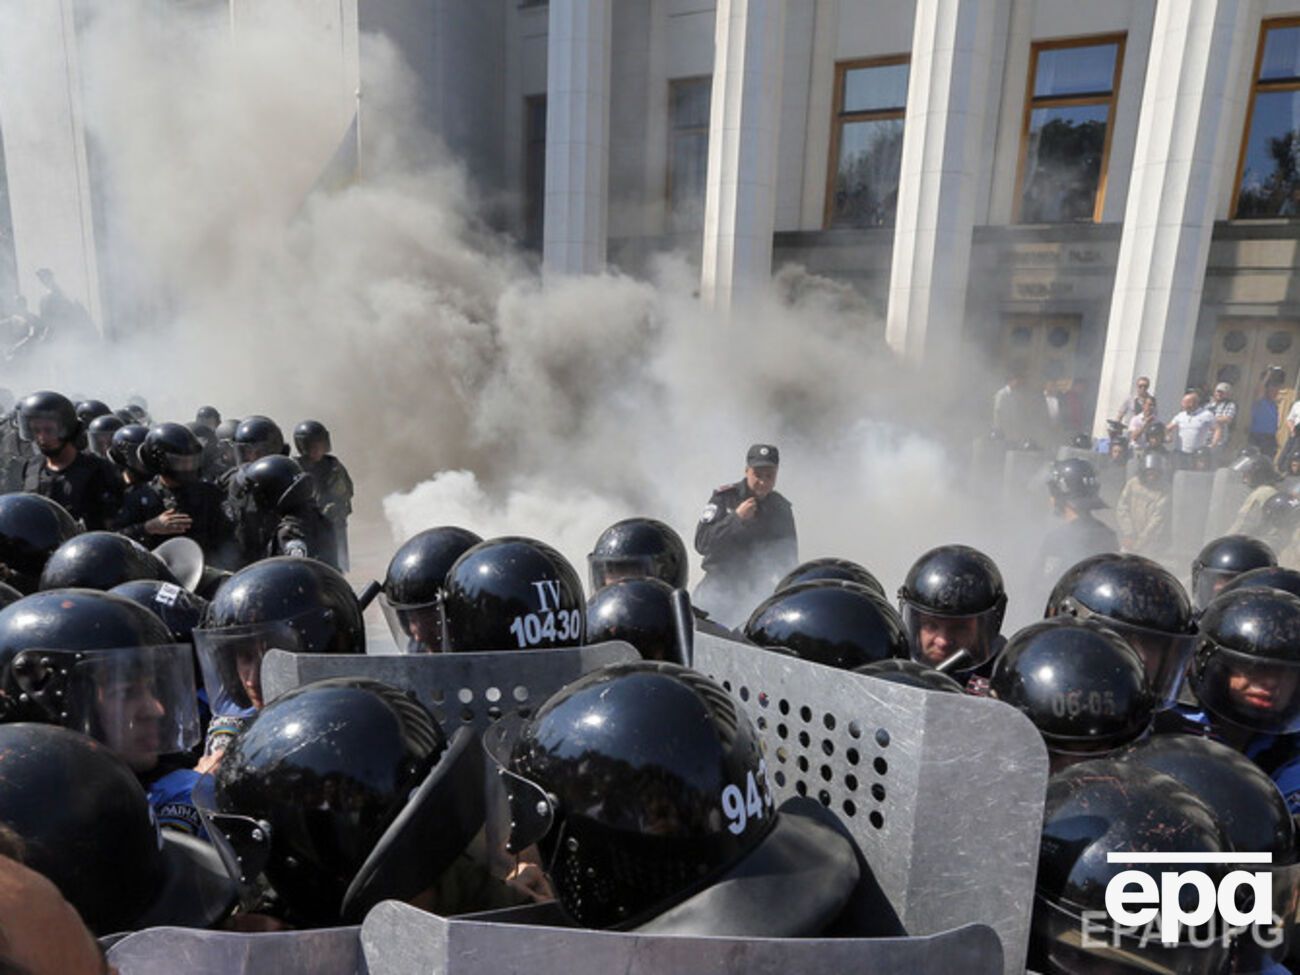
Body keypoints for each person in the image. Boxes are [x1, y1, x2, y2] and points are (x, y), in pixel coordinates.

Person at [694, 444, 798, 626]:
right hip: (716, 592)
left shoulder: (781, 508)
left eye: (769, 476)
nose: (763, 482)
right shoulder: (724, 497)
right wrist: (735, 519)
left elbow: (788, 560)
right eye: (758, 475)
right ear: (747, 471)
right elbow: (702, 543)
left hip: (754, 597)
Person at [896, 544, 1007, 692]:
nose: (943, 641)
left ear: (983, 629)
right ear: (916, 625)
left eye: (959, 628)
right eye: (931, 625)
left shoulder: (1004, 679)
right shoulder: (895, 668)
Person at [16, 391, 122, 530]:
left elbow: (113, 527)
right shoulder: (31, 468)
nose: (42, 438)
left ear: (67, 428)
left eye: (49, 430)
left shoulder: (98, 470)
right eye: (36, 430)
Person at [138, 423, 238, 568]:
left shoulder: (209, 495)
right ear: (159, 461)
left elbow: (227, 540)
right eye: (181, 463)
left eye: (192, 462)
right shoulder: (142, 496)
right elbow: (116, 541)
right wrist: (149, 527)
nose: (188, 468)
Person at [1033, 458, 1118, 590]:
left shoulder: (1056, 539)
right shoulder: (1108, 534)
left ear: (1060, 496)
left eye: (1053, 493)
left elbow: (1042, 588)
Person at [292, 420, 353, 571]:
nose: (318, 449)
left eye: (320, 444)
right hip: (306, 527)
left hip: (332, 526)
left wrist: (336, 507)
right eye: (313, 445)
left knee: (334, 569)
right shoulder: (294, 467)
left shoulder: (333, 466)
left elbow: (346, 491)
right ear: (303, 446)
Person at [1114, 451, 1171, 557]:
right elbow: (1122, 507)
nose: (1152, 475)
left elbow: (1157, 521)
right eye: (1149, 472)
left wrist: (1139, 543)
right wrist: (1129, 533)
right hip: (1128, 538)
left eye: (1155, 472)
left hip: (1150, 544)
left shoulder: (1164, 491)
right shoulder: (1133, 483)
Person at [1228, 454, 1283, 536]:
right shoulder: (1269, 491)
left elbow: (1243, 524)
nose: (1244, 478)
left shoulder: (1263, 493)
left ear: (1258, 474)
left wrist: (1223, 542)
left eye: (1247, 474)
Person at [1164, 391, 1215, 463]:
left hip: (1196, 455)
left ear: (1191, 403)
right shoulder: (1181, 415)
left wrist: (1213, 444)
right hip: (1180, 453)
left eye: (1184, 402)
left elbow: (1217, 429)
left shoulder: (1206, 415)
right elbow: (1167, 428)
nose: (1181, 404)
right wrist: (1168, 435)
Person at [1250, 366, 1285, 457]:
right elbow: (1259, 389)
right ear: (1267, 390)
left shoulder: (1274, 405)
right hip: (1258, 435)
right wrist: (1268, 374)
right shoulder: (1261, 401)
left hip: (1270, 437)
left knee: (1268, 458)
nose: (1276, 391)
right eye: (1273, 389)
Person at [1207, 380, 1237, 461]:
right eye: (1218, 392)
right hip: (1204, 437)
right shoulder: (1208, 404)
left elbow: (1227, 418)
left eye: (1222, 392)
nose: (1219, 394)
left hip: (1218, 441)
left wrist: (1209, 419)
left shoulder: (1230, 405)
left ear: (1227, 394)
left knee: (1213, 460)